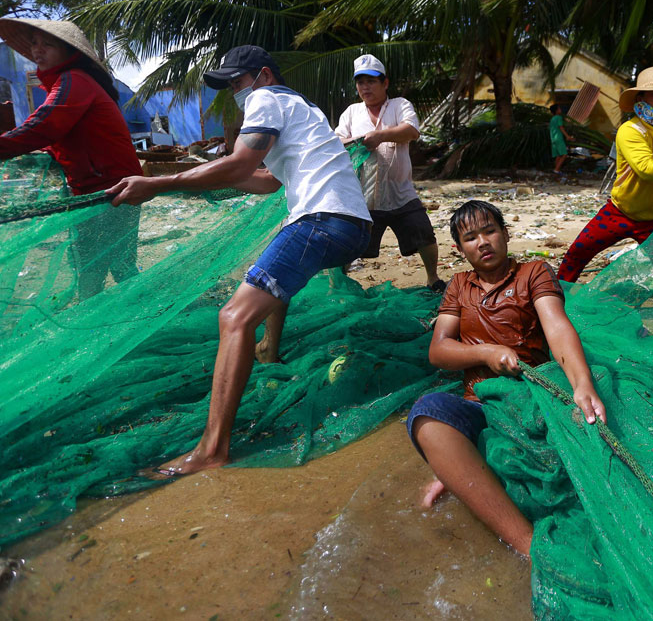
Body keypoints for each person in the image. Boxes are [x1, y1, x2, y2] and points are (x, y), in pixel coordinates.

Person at [107, 45, 372, 475]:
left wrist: (162, 184)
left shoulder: (267, 99)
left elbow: (240, 162)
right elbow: (267, 180)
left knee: (232, 317)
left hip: (321, 220)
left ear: (263, 75)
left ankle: (212, 450)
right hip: (351, 226)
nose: (234, 92)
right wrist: (205, 183)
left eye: (236, 83)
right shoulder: (304, 109)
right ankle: (268, 351)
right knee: (275, 278)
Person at [407, 200, 606, 558]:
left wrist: (582, 384)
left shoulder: (533, 273)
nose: (482, 242)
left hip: (531, 402)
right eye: (470, 237)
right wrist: (486, 352)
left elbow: (557, 328)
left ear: (505, 234)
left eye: (490, 231)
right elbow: (439, 350)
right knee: (427, 415)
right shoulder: (458, 286)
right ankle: (525, 543)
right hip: (479, 404)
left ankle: (461, 471)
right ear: (459, 248)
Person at [556, 66, 653, 332]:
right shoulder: (629, 130)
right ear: (640, 98)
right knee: (577, 254)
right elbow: (646, 168)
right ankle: (553, 306)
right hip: (620, 212)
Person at [0, 19, 143, 299]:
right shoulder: (68, 82)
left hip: (109, 189)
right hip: (101, 188)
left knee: (94, 266)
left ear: (69, 53)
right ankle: (134, 317)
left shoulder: (73, 80)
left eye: (47, 44)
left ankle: (95, 327)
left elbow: (44, 125)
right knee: (113, 263)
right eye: (34, 44)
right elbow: (68, 135)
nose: (38, 51)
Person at [334, 53, 444, 292]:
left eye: (371, 81)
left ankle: (433, 278)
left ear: (385, 83)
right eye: (360, 82)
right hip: (364, 197)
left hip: (400, 191)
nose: (365, 87)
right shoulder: (352, 112)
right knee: (348, 242)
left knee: (423, 233)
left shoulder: (399, 105)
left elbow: (411, 131)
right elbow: (337, 141)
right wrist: (357, 140)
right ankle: (338, 287)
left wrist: (380, 135)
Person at [549, 104, 569, 173]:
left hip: (553, 138)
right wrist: (567, 136)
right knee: (564, 154)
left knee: (558, 155)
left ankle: (557, 169)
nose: (561, 110)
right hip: (558, 138)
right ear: (557, 111)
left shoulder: (552, 119)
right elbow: (561, 128)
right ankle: (556, 169)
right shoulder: (559, 117)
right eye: (559, 109)